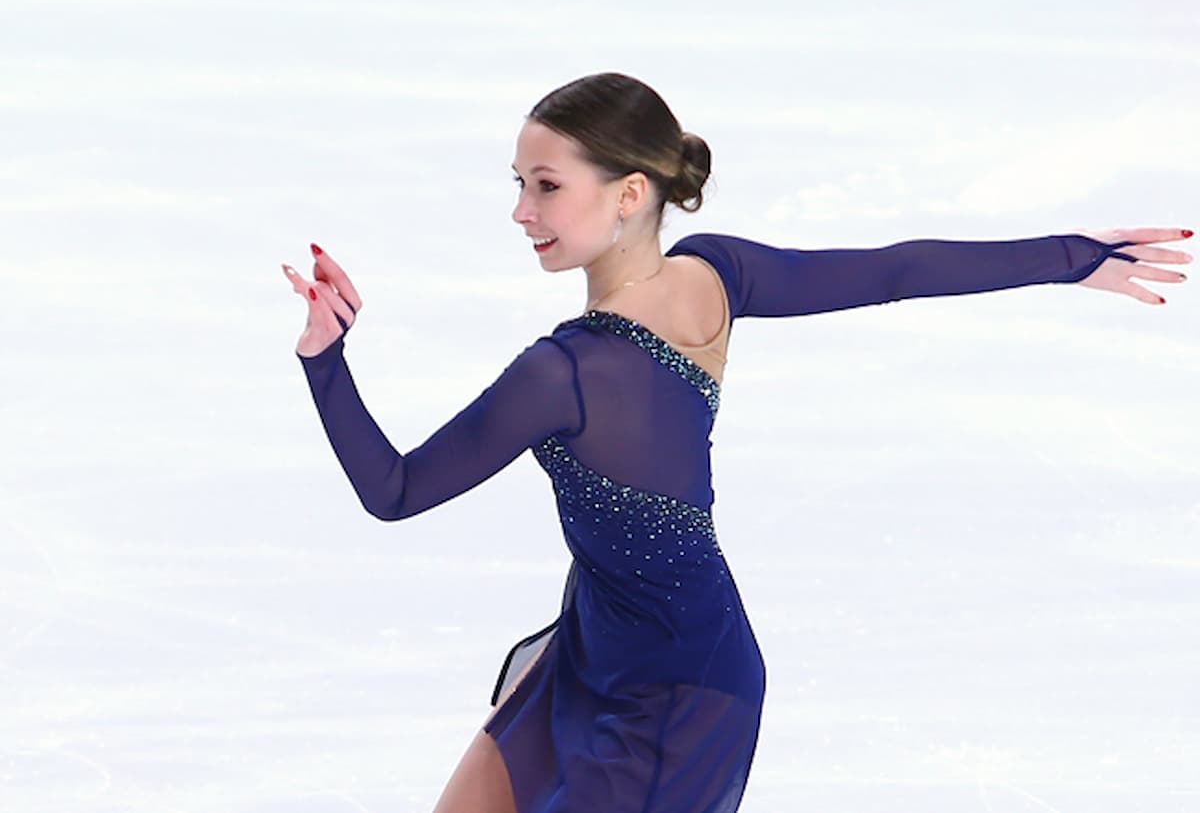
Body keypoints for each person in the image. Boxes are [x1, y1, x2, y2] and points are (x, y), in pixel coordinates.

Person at [281, 72, 1192, 813]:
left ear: (631, 193)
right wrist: (1070, 255)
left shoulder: (565, 372)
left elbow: (394, 491)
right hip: (596, 652)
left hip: (676, 698)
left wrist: (326, 360)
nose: (523, 210)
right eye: (519, 183)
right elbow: (896, 271)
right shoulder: (715, 273)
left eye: (547, 185)